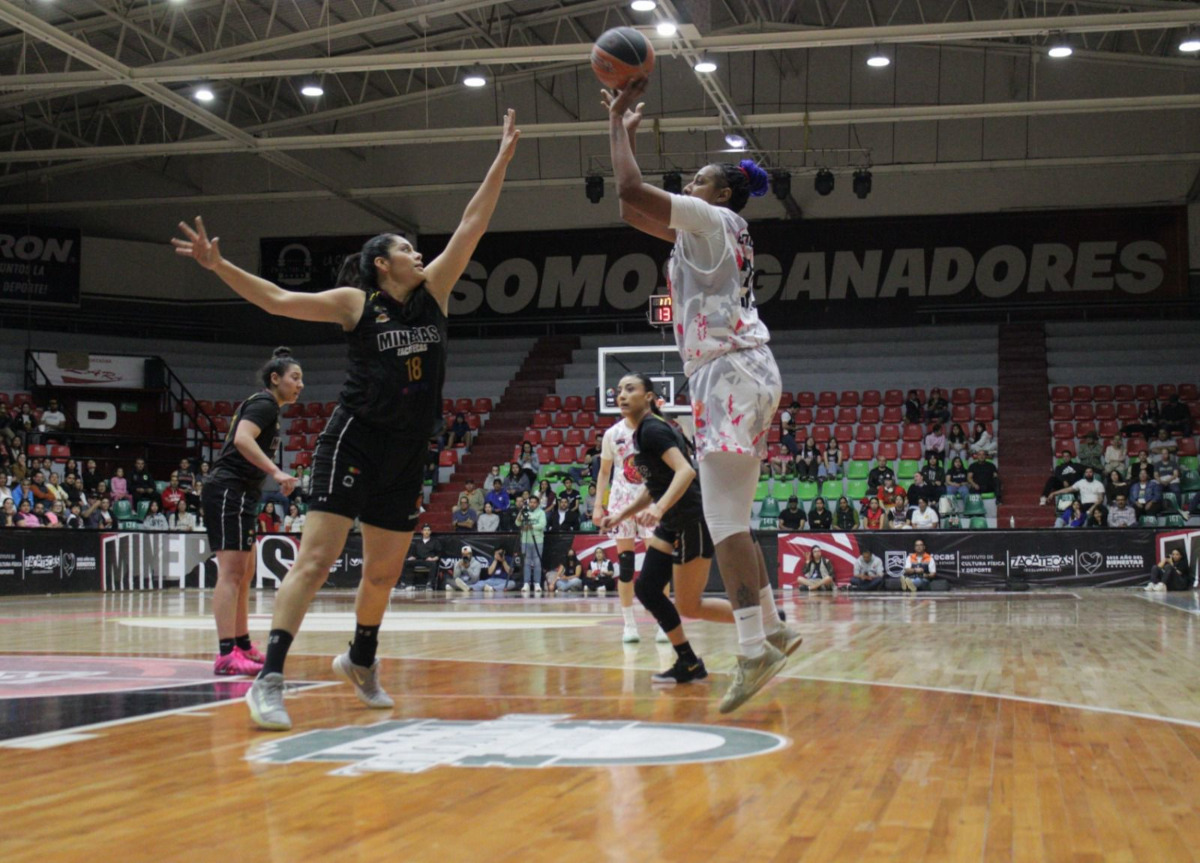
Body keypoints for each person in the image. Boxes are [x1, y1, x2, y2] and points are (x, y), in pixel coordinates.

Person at [176, 109, 520, 730]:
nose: (420, 254)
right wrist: (217, 266)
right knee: (316, 560)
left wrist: (502, 158)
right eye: (407, 250)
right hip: (354, 439)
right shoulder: (354, 303)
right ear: (381, 263)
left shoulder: (433, 293)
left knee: (384, 572)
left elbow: (473, 224)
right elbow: (278, 301)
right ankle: (271, 677)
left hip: (410, 448)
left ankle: (361, 660)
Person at [607, 83, 792, 712]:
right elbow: (635, 212)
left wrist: (619, 131)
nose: (689, 182)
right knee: (734, 516)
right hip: (749, 369)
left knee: (725, 523)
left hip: (728, 372)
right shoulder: (712, 230)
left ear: (721, 194)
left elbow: (634, 193)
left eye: (700, 178)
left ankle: (752, 648)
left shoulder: (713, 220)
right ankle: (773, 626)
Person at [600, 374, 799, 690]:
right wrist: (622, 514)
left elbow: (685, 472)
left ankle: (763, 627)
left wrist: (660, 508)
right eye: (619, 389)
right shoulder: (641, 434)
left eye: (630, 389)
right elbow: (656, 485)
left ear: (650, 396)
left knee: (690, 605)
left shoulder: (652, 429)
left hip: (692, 519)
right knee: (648, 589)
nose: (622, 394)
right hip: (673, 521)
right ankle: (688, 661)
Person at [593, 407, 654, 643]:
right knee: (626, 565)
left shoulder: (654, 429)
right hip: (621, 503)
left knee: (657, 562)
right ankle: (629, 624)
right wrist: (599, 505)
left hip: (649, 500)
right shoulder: (612, 433)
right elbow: (604, 472)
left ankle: (663, 623)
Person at [515, 494, 546, 593]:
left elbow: (542, 524)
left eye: (534, 503)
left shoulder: (541, 512)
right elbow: (517, 523)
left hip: (538, 541)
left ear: (537, 504)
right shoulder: (524, 511)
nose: (532, 504)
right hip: (525, 540)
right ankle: (526, 583)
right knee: (527, 563)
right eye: (531, 502)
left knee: (537, 562)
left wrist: (531, 526)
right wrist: (521, 513)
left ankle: (537, 583)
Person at [403, 525, 443, 589]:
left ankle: (429, 584)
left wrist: (434, 558)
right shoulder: (417, 542)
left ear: (430, 532)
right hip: (419, 560)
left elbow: (439, 554)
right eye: (425, 530)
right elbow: (414, 554)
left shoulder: (435, 542)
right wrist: (412, 557)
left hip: (429, 560)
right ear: (422, 532)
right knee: (406, 562)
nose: (426, 532)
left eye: (428, 530)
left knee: (433, 564)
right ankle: (407, 583)